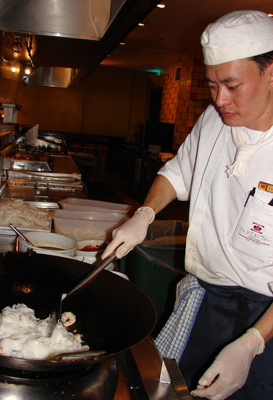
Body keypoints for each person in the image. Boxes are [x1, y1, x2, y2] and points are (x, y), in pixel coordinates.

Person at [102, 10, 273, 400]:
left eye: (231, 85)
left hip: (265, 323)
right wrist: (143, 214)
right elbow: (178, 174)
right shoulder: (214, 121)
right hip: (206, 304)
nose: (220, 100)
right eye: (212, 85)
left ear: (271, 71)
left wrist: (251, 344)